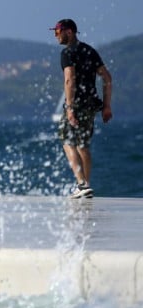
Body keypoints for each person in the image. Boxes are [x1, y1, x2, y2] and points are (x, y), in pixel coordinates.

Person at [52, 19, 113, 198]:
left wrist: (69, 108)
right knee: (82, 145)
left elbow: (70, 80)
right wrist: (107, 105)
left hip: (76, 104)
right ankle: (85, 187)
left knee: (67, 141)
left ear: (69, 32)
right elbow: (107, 78)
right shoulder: (90, 51)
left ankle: (82, 184)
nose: (56, 35)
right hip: (91, 105)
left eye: (57, 31)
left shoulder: (67, 53)